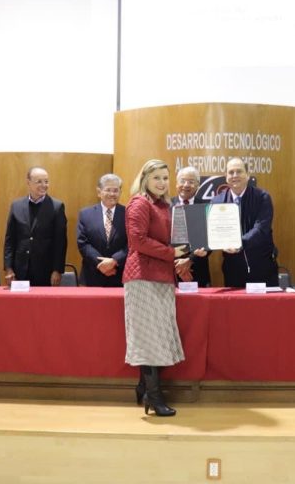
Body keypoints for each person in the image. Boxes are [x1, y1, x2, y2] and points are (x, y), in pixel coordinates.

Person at [123, 159, 187, 417]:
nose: (162, 183)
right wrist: (172, 253)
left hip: (160, 276)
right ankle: (154, 395)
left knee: (156, 335)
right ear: (145, 179)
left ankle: (143, 388)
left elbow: (170, 240)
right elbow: (137, 241)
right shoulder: (139, 203)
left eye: (165, 178)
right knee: (147, 338)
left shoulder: (164, 205)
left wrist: (189, 251)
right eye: (156, 178)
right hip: (142, 277)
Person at [210, 157, 278, 287]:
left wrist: (239, 243)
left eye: (239, 171)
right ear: (226, 177)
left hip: (262, 267)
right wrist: (201, 250)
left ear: (247, 175)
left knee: (265, 307)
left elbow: (261, 229)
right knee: (235, 307)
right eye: (231, 172)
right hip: (233, 269)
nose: (235, 175)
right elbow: (213, 232)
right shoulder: (217, 201)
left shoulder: (262, 197)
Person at [4, 166, 68, 286]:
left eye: (46, 181)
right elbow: (10, 240)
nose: (44, 185)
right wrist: (8, 267)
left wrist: (57, 270)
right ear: (28, 182)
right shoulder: (16, 206)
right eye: (39, 181)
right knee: (20, 304)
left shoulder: (57, 207)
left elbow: (60, 242)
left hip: (46, 271)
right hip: (20, 270)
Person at [77, 174, 128, 287]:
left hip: (119, 276)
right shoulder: (85, 214)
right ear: (99, 192)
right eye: (108, 190)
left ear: (120, 192)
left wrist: (114, 260)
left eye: (115, 190)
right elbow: (83, 243)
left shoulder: (129, 214)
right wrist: (101, 264)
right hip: (91, 276)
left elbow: (132, 243)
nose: (112, 194)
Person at [171, 166, 211, 287]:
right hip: (171, 269)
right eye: (182, 181)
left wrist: (190, 260)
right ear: (177, 183)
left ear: (198, 185)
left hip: (199, 270)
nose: (186, 185)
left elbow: (211, 239)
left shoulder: (206, 206)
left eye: (191, 182)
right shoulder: (165, 205)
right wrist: (179, 266)